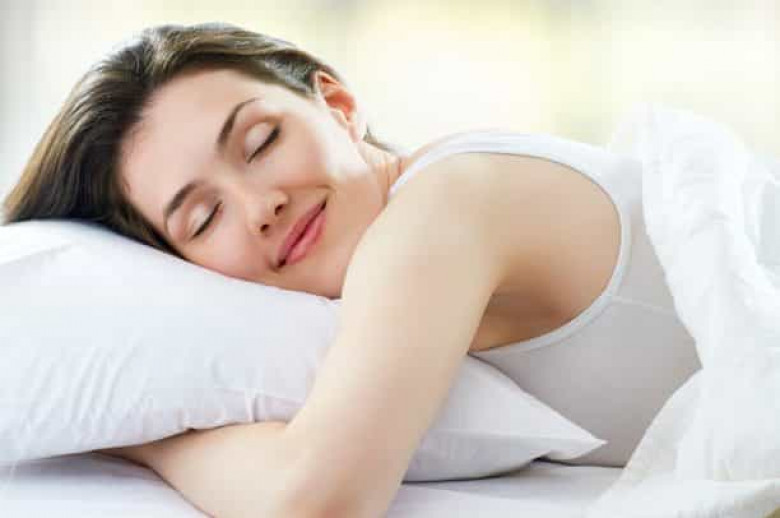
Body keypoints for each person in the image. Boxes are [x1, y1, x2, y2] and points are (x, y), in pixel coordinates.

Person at [1, 22, 700, 518]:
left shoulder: (441, 210)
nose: (261, 205)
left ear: (338, 106)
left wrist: (150, 438)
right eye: (205, 218)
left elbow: (312, 502)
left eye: (262, 142)